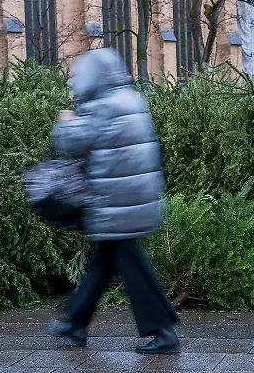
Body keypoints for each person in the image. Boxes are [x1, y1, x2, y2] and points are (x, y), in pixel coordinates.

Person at [46, 47, 180, 354]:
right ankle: (75, 323)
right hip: (133, 198)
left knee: (130, 265)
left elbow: (73, 141)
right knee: (102, 263)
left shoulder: (103, 106)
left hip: (115, 204)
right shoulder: (130, 98)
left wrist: (65, 121)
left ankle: (163, 331)